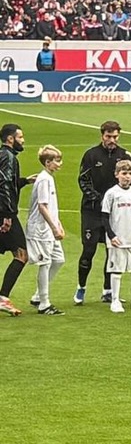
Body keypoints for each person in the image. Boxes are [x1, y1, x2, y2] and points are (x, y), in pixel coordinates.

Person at [76, 121, 131, 305]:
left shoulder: (125, 155)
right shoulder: (91, 155)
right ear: (102, 135)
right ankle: (81, 288)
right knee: (89, 249)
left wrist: (118, 199)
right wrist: (100, 199)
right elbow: (83, 180)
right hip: (92, 211)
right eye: (108, 137)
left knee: (112, 251)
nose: (112, 140)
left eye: (115, 137)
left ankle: (108, 290)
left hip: (114, 214)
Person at [100, 158, 131, 313]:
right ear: (116, 174)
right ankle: (115, 300)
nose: (127, 176)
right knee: (117, 269)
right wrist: (111, 235)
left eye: (130, 173)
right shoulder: (111, 193)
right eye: (124, 173)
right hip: (118, 239)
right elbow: (104, 217)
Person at [24, 145, 65, 316]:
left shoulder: (48, 178)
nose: (60, 164)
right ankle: (44, 303)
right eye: (57, 161)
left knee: (59, 260)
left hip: (49, 228)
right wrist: (54, 227)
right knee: (45, 263)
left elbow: (51, 206)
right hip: (40, 229)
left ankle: (37, 296)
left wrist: (58, 223)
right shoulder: (43, 180)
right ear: (47, 162)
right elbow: (42, 206)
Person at [0, 123, 31, 313]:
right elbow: (4, 186)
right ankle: (3, 297)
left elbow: (8, 182)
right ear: (11, 139)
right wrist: (8, 215)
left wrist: (25, 181)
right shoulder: (9, 157)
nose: (23, 140)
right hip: (4, 213)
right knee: (21, 254)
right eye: (20, 137)